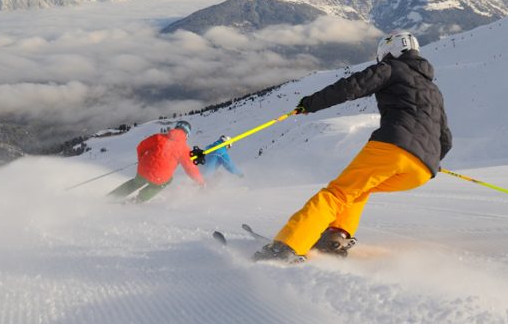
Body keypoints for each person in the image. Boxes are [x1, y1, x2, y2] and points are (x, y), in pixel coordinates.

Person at [253, 32, 451, 262]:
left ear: (391, 50)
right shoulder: (433, 90)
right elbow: (445, 138)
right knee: (359, 189)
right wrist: (429, 158)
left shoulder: (392, 68)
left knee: (335, 195)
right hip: (421, 170)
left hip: (393, 148)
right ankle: (334, 237)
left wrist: (309, 104)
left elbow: (351, 86)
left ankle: (285, 248)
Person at [108, 120, 205, 203]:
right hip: (161, 177)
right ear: (187, 135)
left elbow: (141, 147)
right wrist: (201, 182)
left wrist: (141, 159)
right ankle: (139, 199)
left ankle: (111, 197)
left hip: (143, 169)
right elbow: (191, 169)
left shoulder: (158, 137)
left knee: (135, 183)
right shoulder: (184, 149)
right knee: (164, 183)